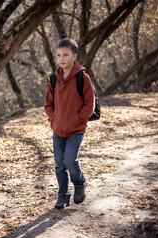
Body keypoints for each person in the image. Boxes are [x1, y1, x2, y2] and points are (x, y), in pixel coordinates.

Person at [44, 38, 95, 209]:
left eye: (65, 54)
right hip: (58, 129)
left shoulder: (83, 77)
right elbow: (48, 105)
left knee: (70, 161)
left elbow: (90, 103)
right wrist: (53, 118)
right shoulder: (53, 79)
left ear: (74, 56)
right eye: (58, 55)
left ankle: (79, 183)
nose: (62, 58)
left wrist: (80, 119)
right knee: (59, 165)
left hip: (76, 129)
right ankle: (63, 195)